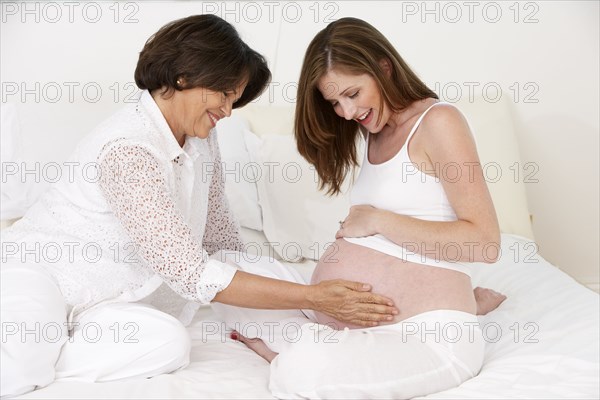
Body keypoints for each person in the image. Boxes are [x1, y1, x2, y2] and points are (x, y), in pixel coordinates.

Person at [0, 15, 399, 398]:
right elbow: (190, 272)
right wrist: (313, 298)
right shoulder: (128, 149)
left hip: (109, 303)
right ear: (183, 77)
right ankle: (43, 350)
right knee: (19, 369)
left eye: (234, 100)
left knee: (169, 343)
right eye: (225, 94)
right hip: (42, 274)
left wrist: (287, 301)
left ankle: (55, 350)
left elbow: (220, 238)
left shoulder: (200, 140)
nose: (227, 111)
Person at [212, 17, 507, 398]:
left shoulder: (439, 122)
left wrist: (378, 220)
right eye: (335, 102)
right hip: (341, 317)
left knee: (302, 373)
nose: (347, 113)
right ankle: (319, 338)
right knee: (224, 275)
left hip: (424, 334)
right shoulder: (373, 132)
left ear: (383, 67)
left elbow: (484, 242)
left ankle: (280, 352)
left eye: (352, 94)